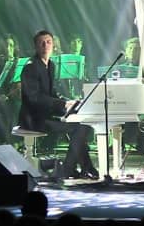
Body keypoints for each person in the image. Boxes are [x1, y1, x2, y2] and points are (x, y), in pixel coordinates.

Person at [19, 30, 98, 179]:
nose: (45, 46)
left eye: (48, 42)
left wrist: (68, 102)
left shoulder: (51, 65)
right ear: (36, 46)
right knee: (78, 127)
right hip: (33, 118)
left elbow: (52, 92)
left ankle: (84, 167)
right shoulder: (31, 66)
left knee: (82, 122)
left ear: (53, 45)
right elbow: (34, 97)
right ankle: (69, 168)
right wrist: (62, 104)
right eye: (41, 43)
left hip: (46, 113)